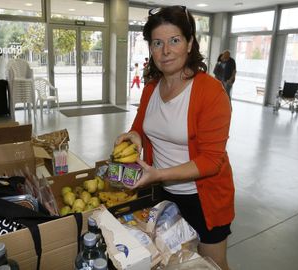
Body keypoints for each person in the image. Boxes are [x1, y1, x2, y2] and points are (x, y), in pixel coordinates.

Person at [115, 6, 234, 270]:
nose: (165, 51)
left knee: (212, 263)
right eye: (157, 43)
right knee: (169, 262)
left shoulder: (211, 92)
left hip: (203, 199)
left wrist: (159, 174)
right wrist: (132, 136)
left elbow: (212, 161)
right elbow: (140, 130)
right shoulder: (151, 88)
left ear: (190, 43)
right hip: (162, 193)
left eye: (174, 40)